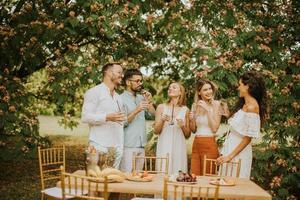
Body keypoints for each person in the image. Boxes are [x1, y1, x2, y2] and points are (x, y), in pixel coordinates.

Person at [216, 71, 269, 179]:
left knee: (235, 186)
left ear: (248, 86)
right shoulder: (245, 104)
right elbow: (239, 126)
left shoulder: (252, 107)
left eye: (240, 85)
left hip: (238, 153)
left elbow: (247, 138)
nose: (238, 88)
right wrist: (227, 113)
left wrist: (230, 156)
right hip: (231, 147)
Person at [81, 62, 125, 169]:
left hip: (116, 148)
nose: (122, 75)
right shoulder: (93, 92)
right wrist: (106, 117)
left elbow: (121, 120)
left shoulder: (118, 97)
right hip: (99, 145)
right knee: (96, 180)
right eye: (119, 72)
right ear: (109, 72)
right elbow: (85, 117)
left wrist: (120, 147)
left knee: (112, 181)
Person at [120, 69, 155, 172]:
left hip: (142, 144)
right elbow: (122, 123)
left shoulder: (141, 98)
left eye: (141, 81)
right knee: (126, 178)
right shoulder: (120, 99)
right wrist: (136, 110)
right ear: (128, 82)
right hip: (127, 145)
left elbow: (153, 115)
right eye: (137, 81)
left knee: (138, 177)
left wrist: (149, 101)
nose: (140, 83)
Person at [189, 80, 225, 175]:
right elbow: (193, 130)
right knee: (195, 175)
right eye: (205, 90)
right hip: (196, 143)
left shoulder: (217, 104)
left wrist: (207, 109)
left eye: (210, 89)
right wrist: (191, 119)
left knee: (208, 175)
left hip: (209, 143)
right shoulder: (195, 105)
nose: (209, 92)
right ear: (199, 92)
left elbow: (214, 128)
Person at [154, 82, 191, 174]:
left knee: (178, 172)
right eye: (169, 87)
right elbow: (156, 131)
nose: (170, 89)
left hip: (179, 146)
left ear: (180, 93)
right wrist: (162, 120)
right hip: (164, 144)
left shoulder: (185, 110)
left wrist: (182, 126)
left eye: (174, 87)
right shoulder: (161, 107)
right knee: (163, 170)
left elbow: (187, 135)